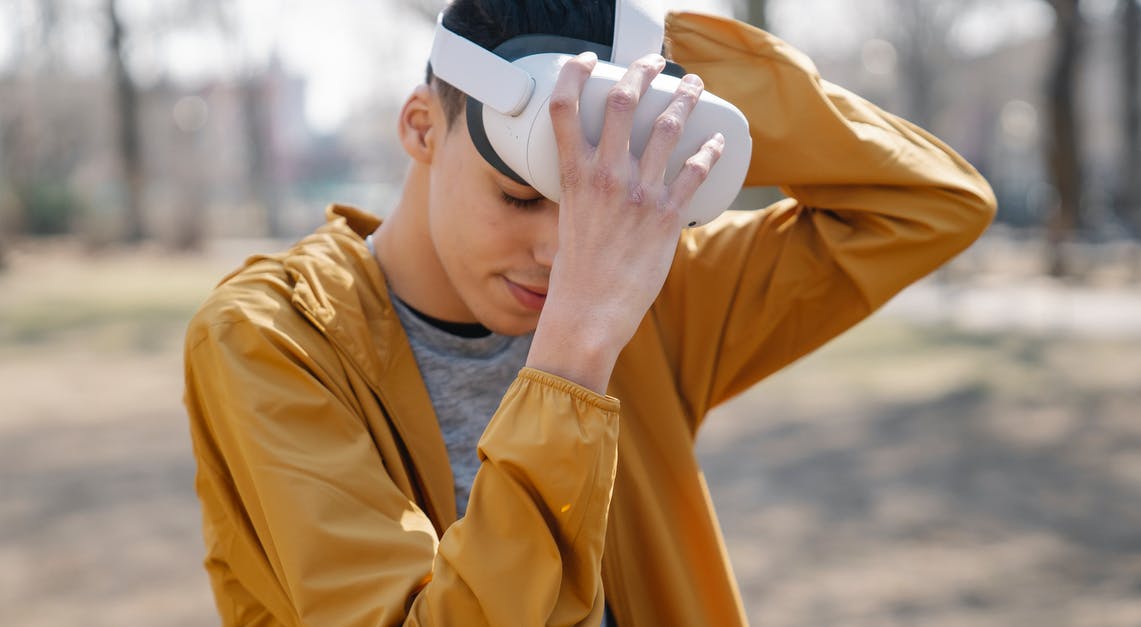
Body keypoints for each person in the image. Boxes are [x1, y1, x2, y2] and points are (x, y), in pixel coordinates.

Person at [182, 1, 996, 625]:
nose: (565, 255)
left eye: (601, 207)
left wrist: (655, 61)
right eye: (521, 195)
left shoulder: (641, 285)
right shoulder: (272, 338)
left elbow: (930, 202)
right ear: (422, 127)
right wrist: (573, 352)